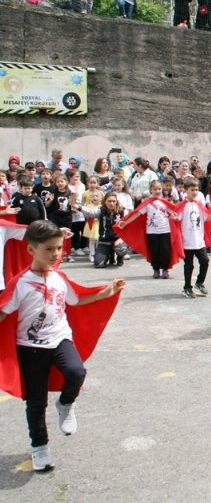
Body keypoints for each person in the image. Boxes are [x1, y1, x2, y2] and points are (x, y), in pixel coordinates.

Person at [0, 220, 124, 472]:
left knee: (76, 372)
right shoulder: (20, 283)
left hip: (60, 339)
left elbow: (76, 299)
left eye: (58, 248)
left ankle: (66, 403)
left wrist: (106, 292)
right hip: (30, 348)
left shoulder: (59, 277)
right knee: (36, 402)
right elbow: (3, 312)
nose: (55, 254)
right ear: (31, 250)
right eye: (49, 249)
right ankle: (40, 448)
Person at [116, 181, 178, 279]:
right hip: (152, 232)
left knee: (165, 251)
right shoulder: (147, 203)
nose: (157, 191)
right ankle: (156, 269)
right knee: (154, 251)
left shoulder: (165, 203)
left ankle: (165, 270)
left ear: (162, 190)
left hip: (165, 230)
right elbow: (137, 214)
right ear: (151, 190)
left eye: (159, 189)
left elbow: (174, 212)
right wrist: (126, 222)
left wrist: (174, 215)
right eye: (154, 189)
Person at [176, 177, 211, 298]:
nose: (195, 192)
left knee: (205, 261)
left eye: (196, 189)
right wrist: (174, 217)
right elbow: (176, 219)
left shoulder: (199, 205)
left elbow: (206, 218)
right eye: (192, 190)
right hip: (187, 242)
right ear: (186, 191)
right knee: (189, 265)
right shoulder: (183, 206)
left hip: (199, 241)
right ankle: (187, 287)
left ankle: (199, 282)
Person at [79, 192, 127, 268]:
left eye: (113, 201)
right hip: (104, 241)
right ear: (105, 201)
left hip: (117, 240)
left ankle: (119, 258)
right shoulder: (101, 211)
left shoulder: (122, 212)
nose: (111, 203)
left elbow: (127, 226)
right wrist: (79, 207)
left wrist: (121, 238)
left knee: (122, 250)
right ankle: (107, 255)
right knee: (98, 264)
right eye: (109, 201)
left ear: (116, 202)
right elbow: (91, 212)